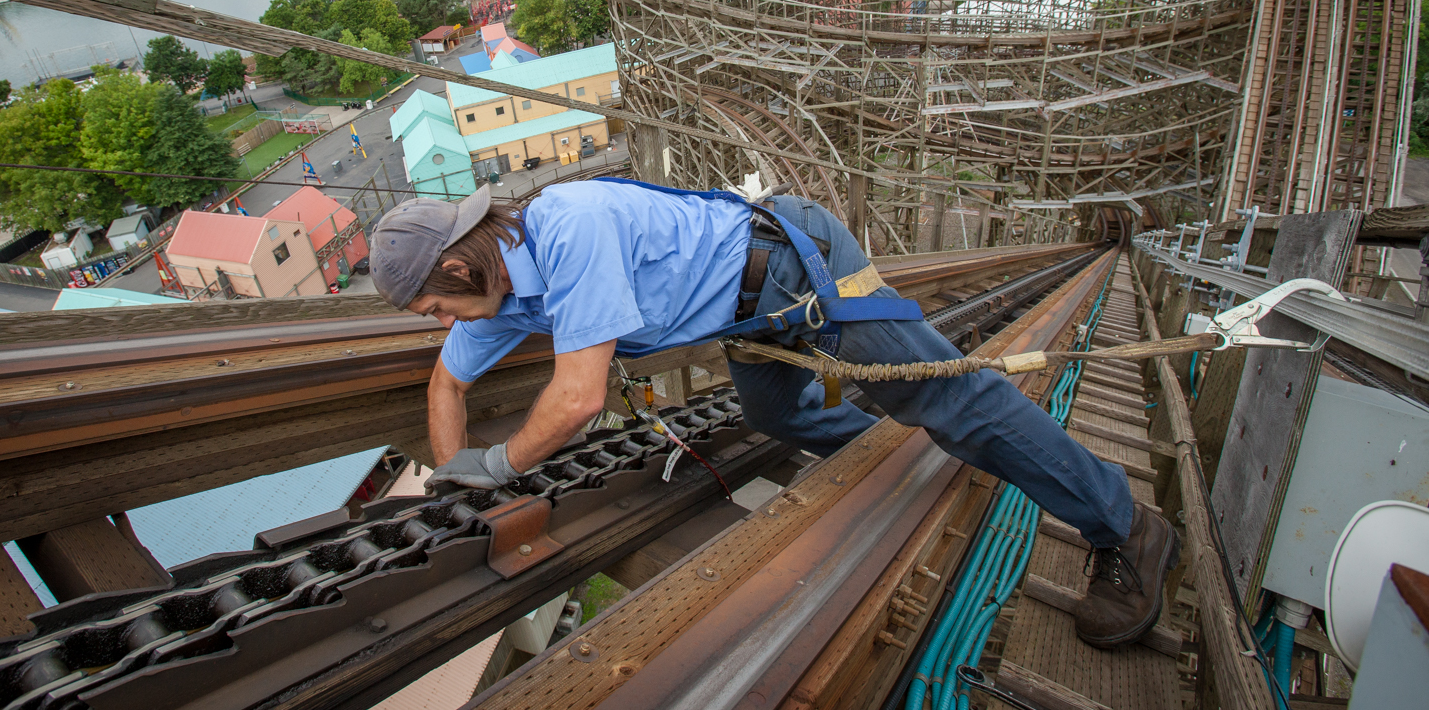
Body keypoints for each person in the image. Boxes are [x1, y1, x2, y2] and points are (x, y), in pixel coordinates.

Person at [369, 179, 1178, 649]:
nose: (445, 321)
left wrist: (503, 463)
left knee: (949, 395)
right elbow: (447, 387)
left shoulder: (567, 228)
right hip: (750, 318)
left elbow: (579, 397)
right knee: (779, 413)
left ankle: (1122, 523)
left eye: (435, 304)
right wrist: (455, 478)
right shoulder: (498, 298)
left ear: (454, 262)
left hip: (796, 263)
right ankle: (909, 457)